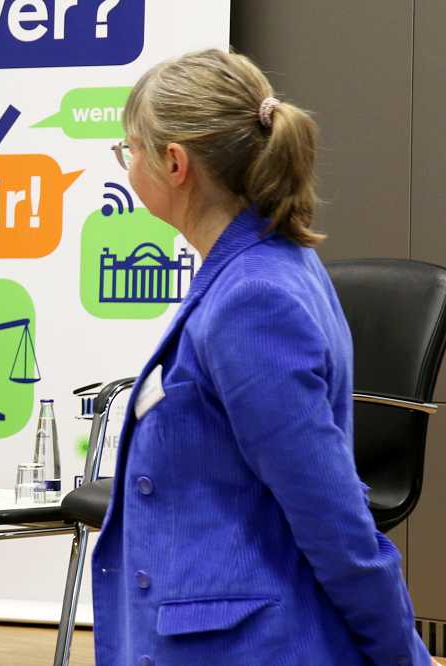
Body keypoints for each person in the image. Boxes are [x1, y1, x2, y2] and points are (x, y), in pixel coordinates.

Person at [91, 49, 433, 665]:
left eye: (129, 149)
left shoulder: (253, 298)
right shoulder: (265, 269)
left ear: (175, 163)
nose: (126, 163)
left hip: (244, 646)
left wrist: (403, 655)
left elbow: (329, 513)